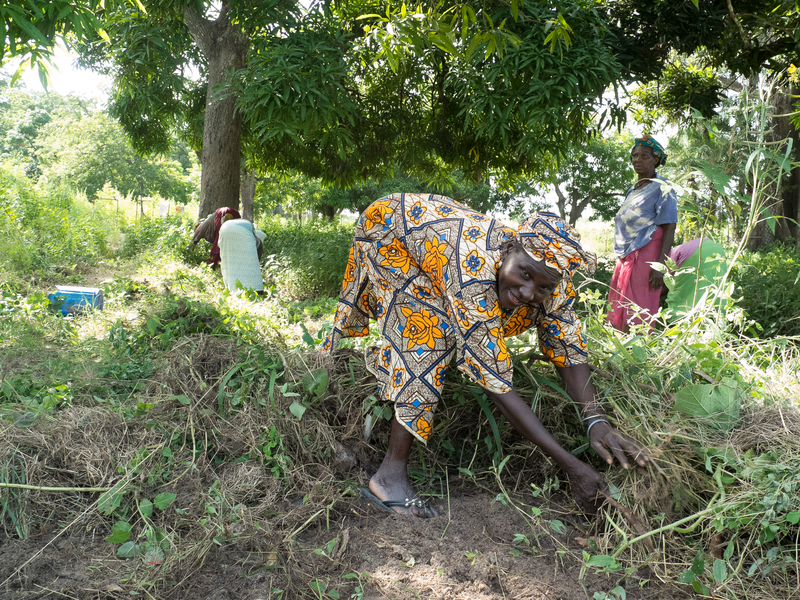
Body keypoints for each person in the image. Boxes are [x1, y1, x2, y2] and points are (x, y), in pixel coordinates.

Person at [322, 193, 649, 518]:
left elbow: (568, 347)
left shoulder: (555, 282)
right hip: (390, 231)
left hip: (434, 241)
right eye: (523, 274)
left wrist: (596, 421)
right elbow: (495, 383)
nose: (527, 292)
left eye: (542, 286)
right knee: (430, 330)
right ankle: (389, 476)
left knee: (484, 318)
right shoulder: (472, 266)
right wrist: (571, 466)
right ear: (508, 250)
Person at [607, 135, 677, 333]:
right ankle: (621, 346)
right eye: (635, 156)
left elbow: (669, 227)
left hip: (647, 254)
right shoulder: (634, 188)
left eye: (644, 156)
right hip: (626, 254)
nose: (638, 160)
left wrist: (660, 266)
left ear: (655, 159)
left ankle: (639, 351)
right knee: (620, 300)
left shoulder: (663, 187)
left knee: (639, 304)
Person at [664, 237, 729, 318]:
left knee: (687, 289)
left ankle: (684, 318)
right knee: (710, 282)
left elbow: (667, 281)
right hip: (716, 248)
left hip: (694, 253)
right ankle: (714, 315)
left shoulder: (672, 254)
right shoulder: (678, 249)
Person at [217, 218, 267, 292]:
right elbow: (256, 261)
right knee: (251, 267)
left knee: (229, 260)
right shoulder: (255, 240)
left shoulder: (250, 232)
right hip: (242, 229)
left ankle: (231, 287)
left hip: (224, 228)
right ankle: (255, 289)